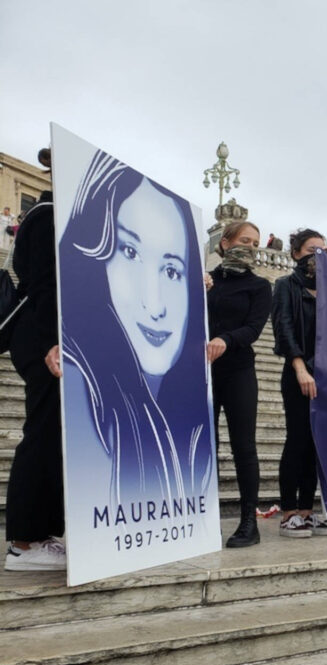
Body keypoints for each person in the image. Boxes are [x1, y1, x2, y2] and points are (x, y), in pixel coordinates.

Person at [59, 150, 213, 510]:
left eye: (173, 270)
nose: (155, 305)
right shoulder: (82, 389)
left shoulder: (183, 417)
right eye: (129, 251)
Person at [4, 187, 65, 571]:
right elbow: (43, 283)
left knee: (53, 434)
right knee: (42, 432)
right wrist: (50, 342)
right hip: (42, 337)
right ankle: (23, 544)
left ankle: (42, 535)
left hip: (54, 336)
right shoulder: (46, 214)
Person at [206, 220, 272, 548]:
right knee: (206, 446)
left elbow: (253, 329)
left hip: (238, 371)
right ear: (226, 243)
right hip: (203, 372)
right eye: (244, 240)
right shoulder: (206, 281)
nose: (250, 246)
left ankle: (249, 522)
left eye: (255, 242)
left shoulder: (260, 286)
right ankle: (205, 519)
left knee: (243, 446)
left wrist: (225, 340)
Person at [272, 228, 327, 538]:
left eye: (323, 249)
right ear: (296, 253)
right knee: (297, 439)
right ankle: (288, 513)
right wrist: (299, 367)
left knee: (317, 444)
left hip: (326, 373)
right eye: (313, 249)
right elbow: (284, 328)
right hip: (299, 371)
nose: (318, 254)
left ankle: (307, 512)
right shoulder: (285, 286)